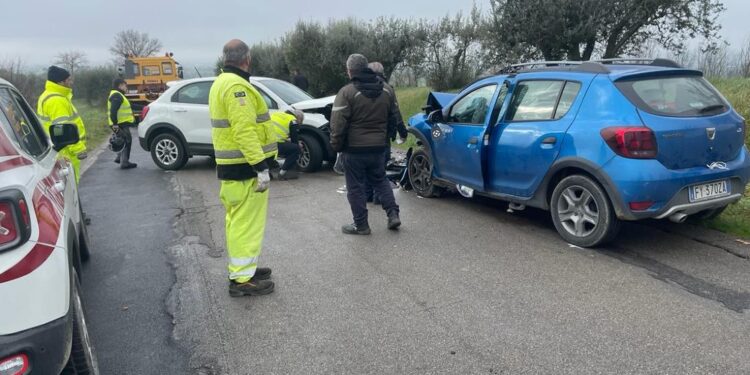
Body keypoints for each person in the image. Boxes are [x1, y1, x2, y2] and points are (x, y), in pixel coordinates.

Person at [209, 39, 278, 297]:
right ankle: (241, 280)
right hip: (243, 169)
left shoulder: (221, 82)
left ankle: (244, 269)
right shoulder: (237, 87)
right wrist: (260, 166)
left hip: (233, 168)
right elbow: (244, 130)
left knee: (237, 221)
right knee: (245, 224)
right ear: (246, 59)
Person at [330, 54, 401, 235]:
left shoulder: (346, 92)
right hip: (378, 147)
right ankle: (393, 214)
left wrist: (336, 145)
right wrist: (387, 138)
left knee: (355, 187)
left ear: (350, 71)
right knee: (381, 180)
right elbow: (394, 116)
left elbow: (337, 124)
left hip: (353, 150)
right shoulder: (387, 90)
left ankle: (361, 225)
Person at [365, 61, 408, 204]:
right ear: (382, 73)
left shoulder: (360, 87)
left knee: (367, 168)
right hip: (382, 136)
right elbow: (395, 113)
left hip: (363, 137)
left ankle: (368, 195)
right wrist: (402, 132)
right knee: (380, 168)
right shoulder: (388, 89)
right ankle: (378, 197)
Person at [37, 66, 87, 183]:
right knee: (70, 187)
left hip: (59, 150)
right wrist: (79, 149)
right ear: (61, 82)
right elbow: (63, 129)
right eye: (68, 80)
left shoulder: (47, 95)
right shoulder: (57, 100)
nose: (71, 82)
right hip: (66, 152)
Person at [108, 78, 137, 169]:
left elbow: (131, 105)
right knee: (126, 140)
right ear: (120, 85)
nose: (126, 87)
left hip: (120, 123)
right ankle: (124, 162)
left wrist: (146, 106)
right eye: (125, 85)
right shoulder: (117, 95)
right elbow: (113, 111)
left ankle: (119, 158)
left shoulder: (119, 95)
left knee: (123, 140)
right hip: (119, 124)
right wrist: (115, 125)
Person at [270, 110, 303, 180]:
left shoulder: (276, 114)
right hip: (275, 145)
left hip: (264, 144)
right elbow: (295, 141)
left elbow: (278, 132)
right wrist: (299, 145)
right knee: (296, 149)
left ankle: (268, 172)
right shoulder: (293, 120)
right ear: (298, 118)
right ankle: (283, 173)